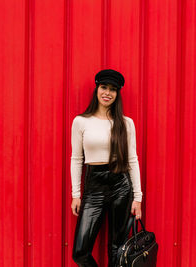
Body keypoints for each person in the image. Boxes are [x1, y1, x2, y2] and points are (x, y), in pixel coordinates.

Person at [70, 69, 143, 267]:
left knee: (117, 250)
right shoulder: (81, 121)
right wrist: (76, 194)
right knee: (80, 252)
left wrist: (138, 197)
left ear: (117, 94)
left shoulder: (126, 123)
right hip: (94, 186)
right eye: (104, 87)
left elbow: (132, 159)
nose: (107, 93)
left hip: (121, 185)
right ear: (97, 89)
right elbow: (76, 158)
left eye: (113, 89)